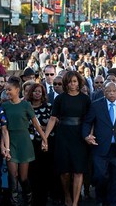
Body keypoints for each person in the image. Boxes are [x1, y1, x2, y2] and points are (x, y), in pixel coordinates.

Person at [45, 71, 91, 206]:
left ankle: (75, 202)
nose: (72, 84)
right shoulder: (60, 99)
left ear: (79, 83)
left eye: (75, 81)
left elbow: (90, 120)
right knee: (64, 171)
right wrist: (45, 137)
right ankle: (67, 196)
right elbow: (53, 119)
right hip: (63, 136)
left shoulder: (85, 99)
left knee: (78, 170)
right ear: (66, 83)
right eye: (70, 81)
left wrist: (88, 135)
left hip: (79, 136)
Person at [2, 76, 48, 205]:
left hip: (24, 143)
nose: (7, 92)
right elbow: (3, 129)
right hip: (10, 141)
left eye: (9, 89)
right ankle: (14, 202)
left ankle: (28, 199)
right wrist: (4, 146)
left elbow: (36, 124)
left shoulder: (26, 105)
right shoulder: (4, 106)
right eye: (6, 90)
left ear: (17, 90)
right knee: (13, 176)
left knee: (23, 177)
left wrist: (45, 140)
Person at [82, 82, 116, 206]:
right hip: (100, 148)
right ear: (104, 92)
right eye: (108, 91)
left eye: (114, 91)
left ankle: (114, 203)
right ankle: (101, 199)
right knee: (101, 176)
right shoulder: (96, 106)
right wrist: (87, 136)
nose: (111, 93)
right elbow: (87, 122)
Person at [26, 83, 57, 206]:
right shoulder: (26, 107)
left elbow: (53, 123)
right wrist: (40, 127)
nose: (37, 93)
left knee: (45, 172)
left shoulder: (49, 107)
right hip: (31, 144)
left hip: (46, 144)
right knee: (32, 173)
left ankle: (44, 199)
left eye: (40, 91)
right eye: (35, 91)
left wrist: (38, 127)